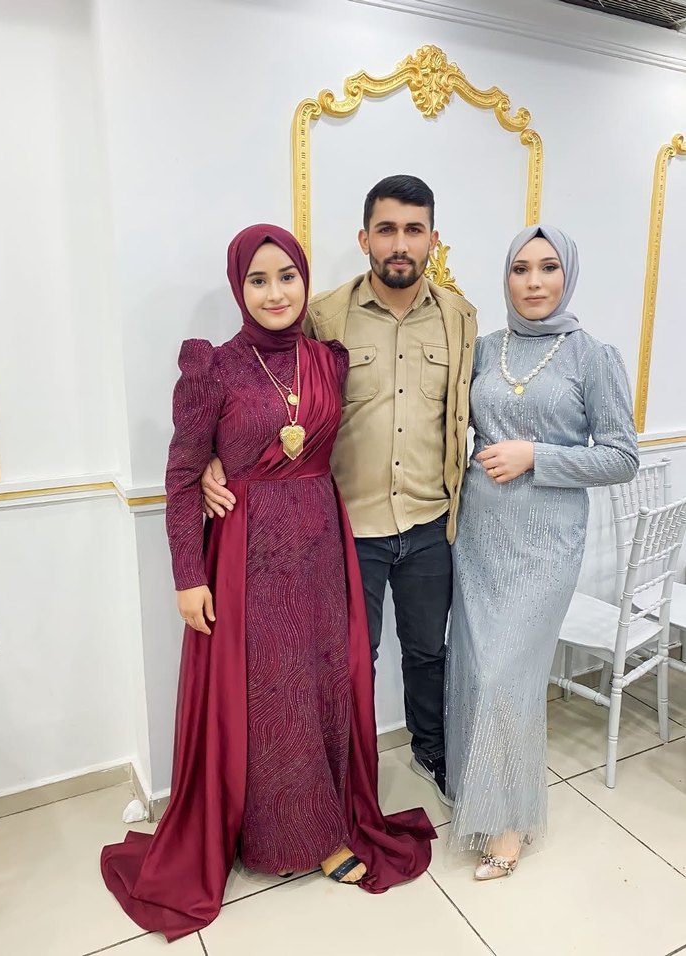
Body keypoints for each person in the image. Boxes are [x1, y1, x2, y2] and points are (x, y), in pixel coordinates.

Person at [100, 224, 435, 942]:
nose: (275, 292)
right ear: (238, 287)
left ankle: (326, 828)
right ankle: (270, 834)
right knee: (265, 694)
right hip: (245, 553)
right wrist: (188, 576)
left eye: (287, 276)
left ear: (304, 281)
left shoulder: (327, 360)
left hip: (320, 545)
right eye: (258, 279)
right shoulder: (213, 369)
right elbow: (182, 476)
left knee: (321, 684)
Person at [201, 177, 477, 803]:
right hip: (347, 530)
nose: (400, 243)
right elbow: (272, 394)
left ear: (433, 239)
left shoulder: (460, 318)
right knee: (348, 662)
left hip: (431, 524)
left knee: (428, 651)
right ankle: (349, 778)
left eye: (414, 230)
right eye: (387, 230)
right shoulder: (325, 314)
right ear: (363, 238)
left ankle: (432, 751)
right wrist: (217, 457)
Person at [444, 224, 639, 879]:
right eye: (520, 268)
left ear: (568, 274)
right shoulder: (484, 348)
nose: (532, 282)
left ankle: (509, 822)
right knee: (477, 668)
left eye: (548, 267)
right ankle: (479, 793)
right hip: (479, 537)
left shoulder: (592, 356)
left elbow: (621, 457)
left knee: (508, 675)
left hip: (546, 544)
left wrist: (537, 456)